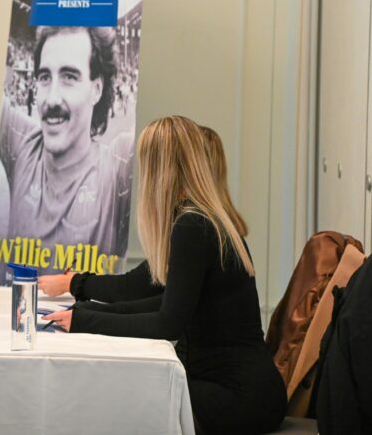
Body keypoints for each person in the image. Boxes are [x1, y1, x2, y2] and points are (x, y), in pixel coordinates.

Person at [42, 117, 287, 434]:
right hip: (246, 389)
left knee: (125, 398)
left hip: (238, 397)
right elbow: (154, 296)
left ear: (159, 168)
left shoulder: (192, 226)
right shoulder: (201, 219)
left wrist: (85, 319)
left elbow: (167, 322)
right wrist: (86, 311)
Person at [0, 26, 134, 283]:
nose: (52, 98)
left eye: (69, 77)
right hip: (20, 316)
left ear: (97, 89)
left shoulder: (118, 169)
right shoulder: (22, 147)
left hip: (87, 322)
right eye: (45, 77)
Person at [39, 123, 247, 298]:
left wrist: (76, 289)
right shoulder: (204, 223)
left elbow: (160, 311)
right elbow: (144, 286)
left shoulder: (193, 225)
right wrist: (78, 288)